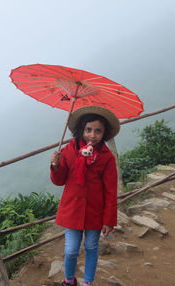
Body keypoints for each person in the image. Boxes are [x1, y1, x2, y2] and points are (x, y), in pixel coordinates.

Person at [50, 105, 120, 286]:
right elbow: (59, 181)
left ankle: (87, 282)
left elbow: (111, 190)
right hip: (72, 209)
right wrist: (55, 166)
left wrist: (109, 219)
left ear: (104, 133)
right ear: (81, 129)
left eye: (98, 131)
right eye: (88, 130)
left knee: (91, 247)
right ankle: (69, 280)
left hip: (95, 212)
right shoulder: (69, 150)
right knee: (71, 250)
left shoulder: (106, 157)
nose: (92, 135)